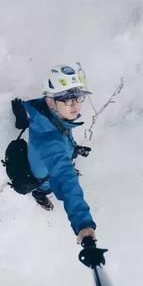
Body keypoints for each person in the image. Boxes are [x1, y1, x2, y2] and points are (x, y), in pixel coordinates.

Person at [21, 64, 97, 244]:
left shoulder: (54, 117)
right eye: (68, 99)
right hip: (47, 176)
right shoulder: (49, 139)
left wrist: (74, 148)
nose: (75, 105)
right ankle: (39, 194)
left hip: (52, 163)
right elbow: (65, 179)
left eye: (78, 97)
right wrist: (84, 226)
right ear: (50, 101)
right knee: (48, 186)